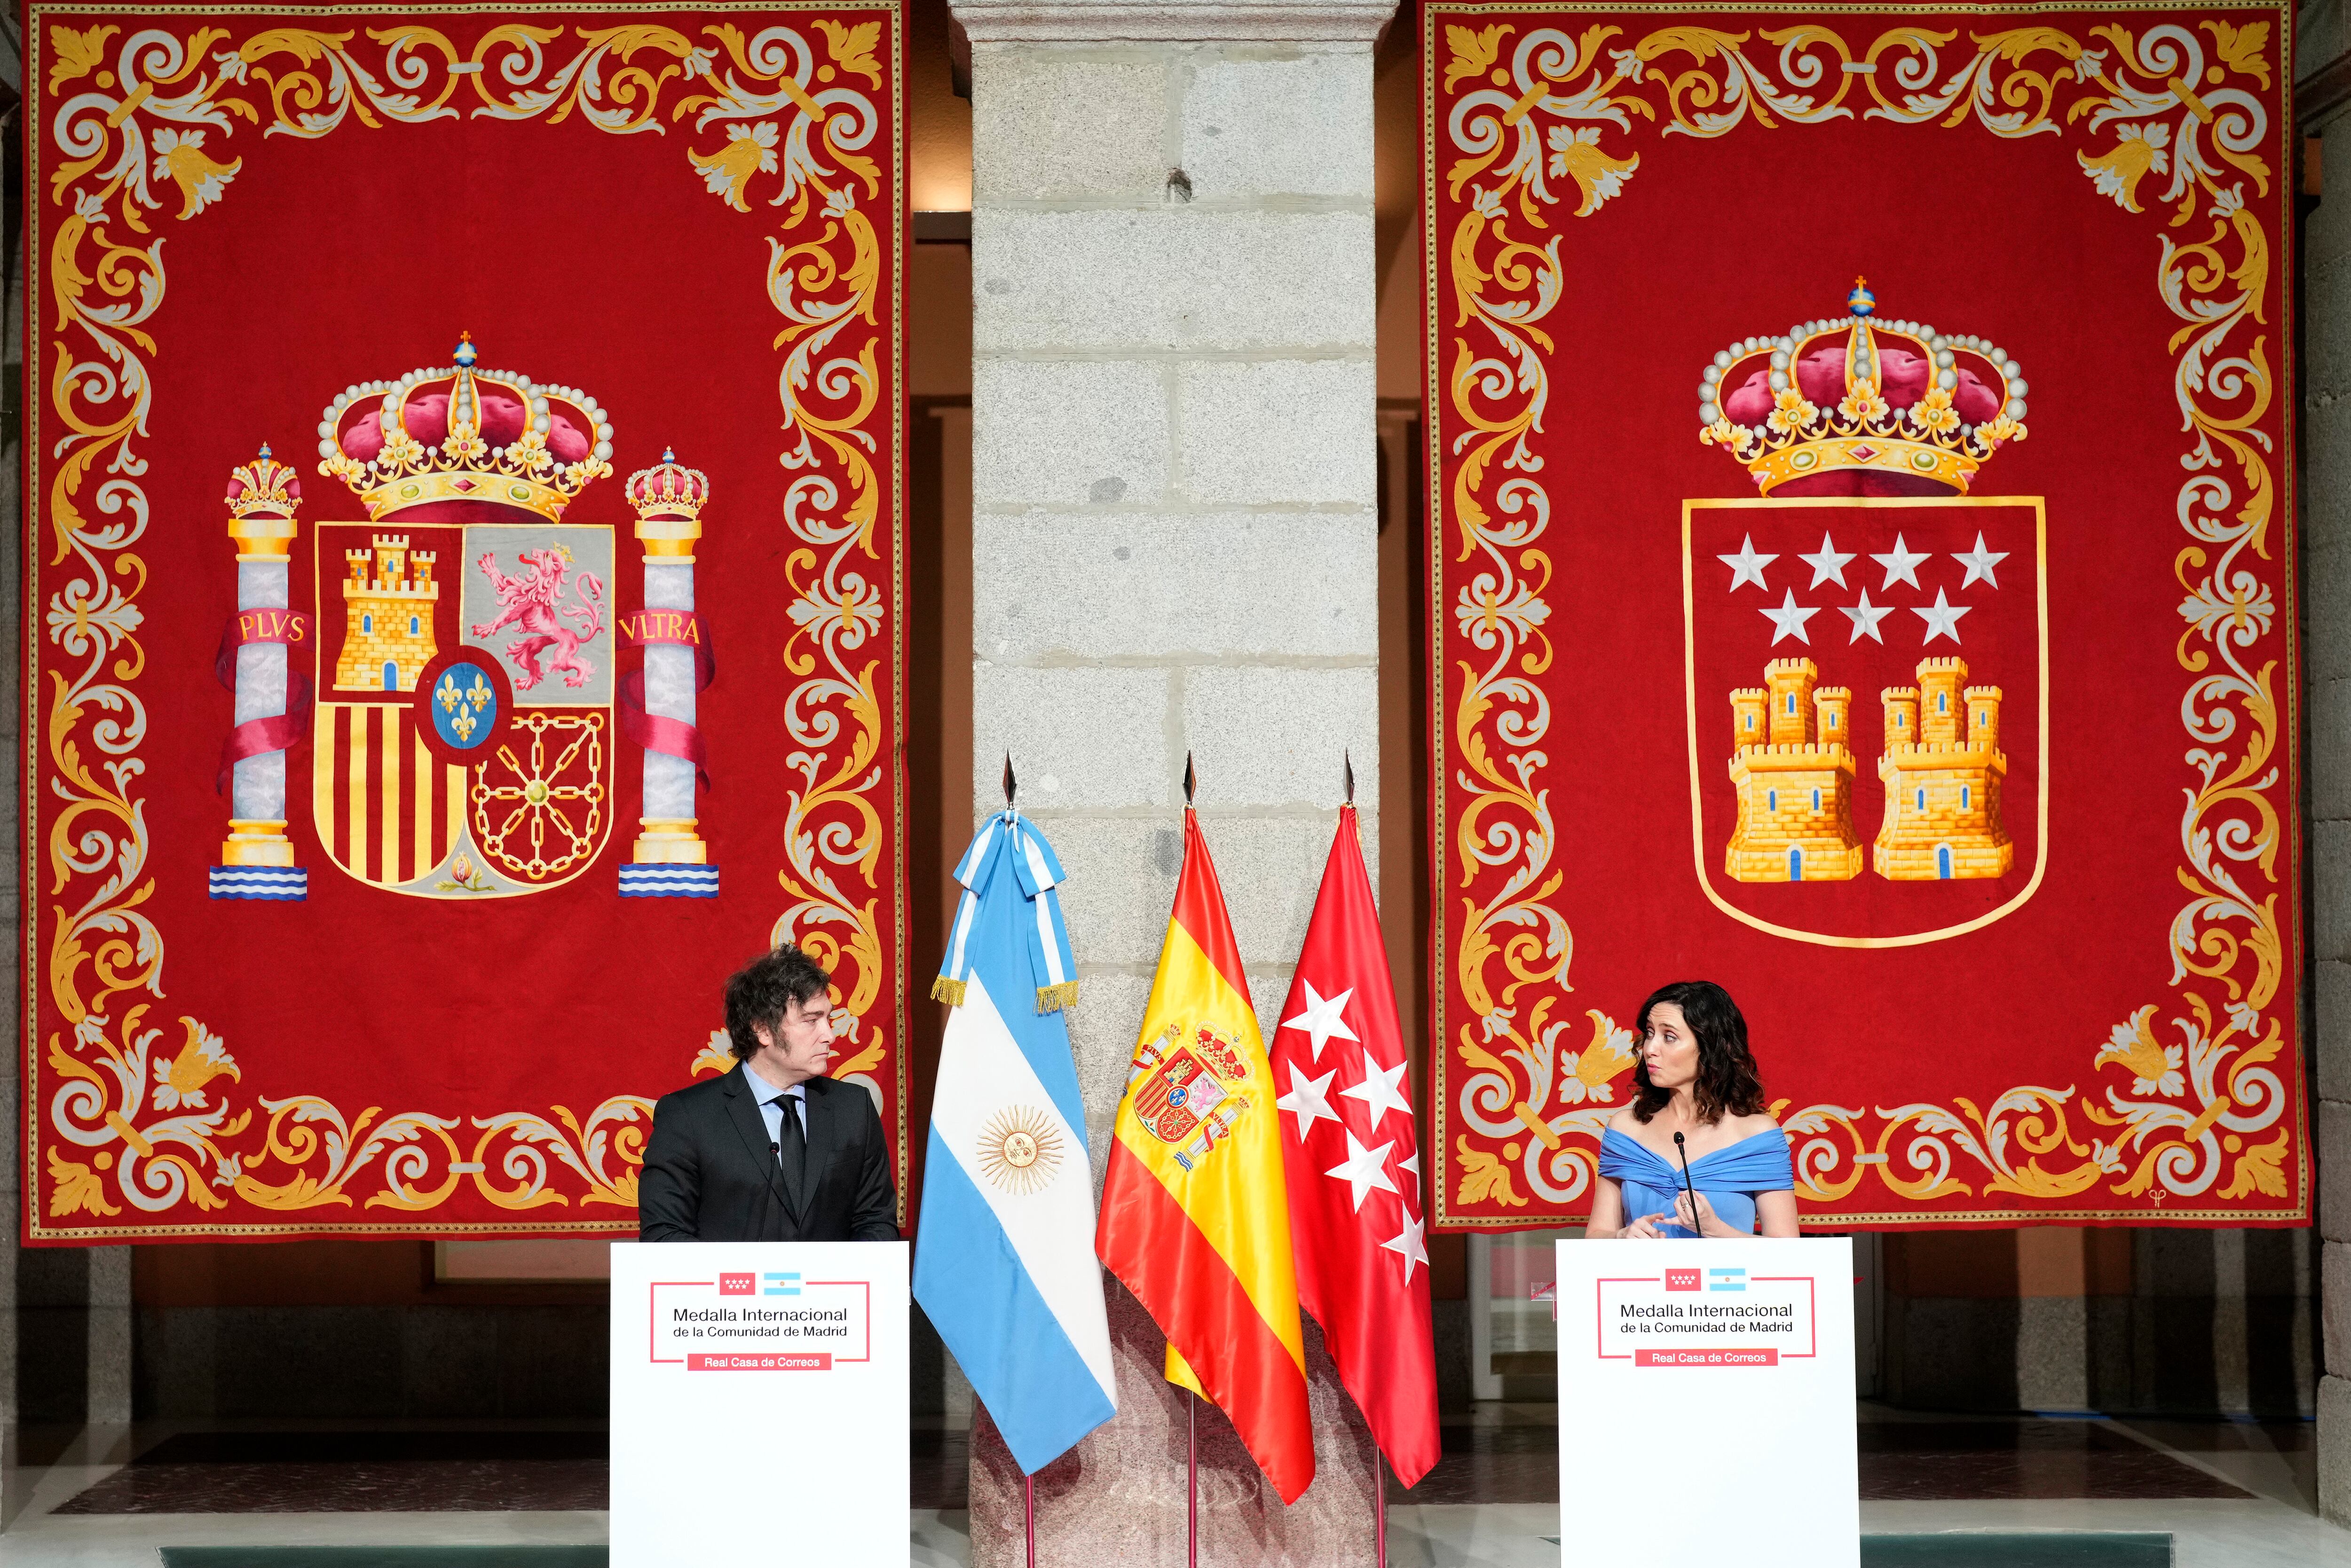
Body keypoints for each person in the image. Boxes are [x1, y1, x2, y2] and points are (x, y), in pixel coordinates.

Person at [638, 943, 900, 1243]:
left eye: (828, 1018)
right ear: (763, 1030)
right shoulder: (688, 1117)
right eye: (811, 1020)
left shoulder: (854, 1108)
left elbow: (875, 1222)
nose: (829, 1035)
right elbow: (665, 1236)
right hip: (731, 1288)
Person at [1588, 980, 1797, 1239]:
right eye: (1650, 1033)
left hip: (1728, 1280)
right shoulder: (1624, 1130)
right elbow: (1597, 1234)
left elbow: (1788, 1251)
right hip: (1642, 1279)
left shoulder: (1757, 1135)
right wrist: (1621, 1237)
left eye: (1669, 1037)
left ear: (1711, 1046)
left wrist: (1717, 1231)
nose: (1650, 1049)